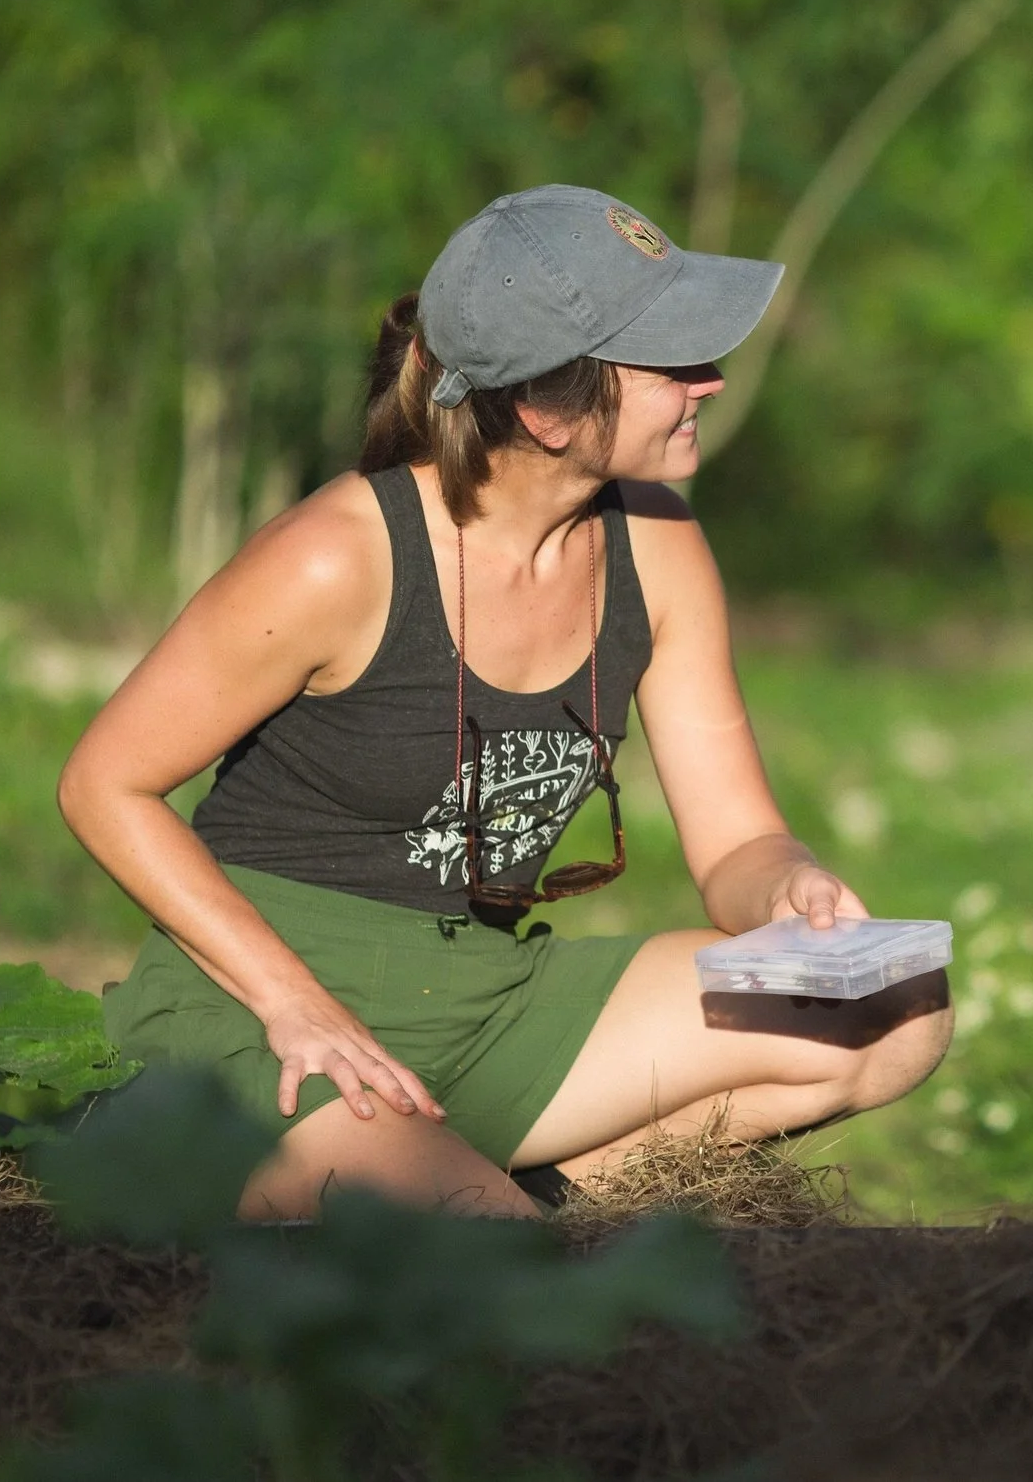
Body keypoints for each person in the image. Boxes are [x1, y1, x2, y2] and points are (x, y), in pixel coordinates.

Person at [61, 186, 951, 1219]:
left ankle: (509, 1192)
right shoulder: (338, 555)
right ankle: (392, 1189)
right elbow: (102, 783)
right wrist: (294, 1003)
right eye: (668, 364)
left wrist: (790, 888)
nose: (708, 381)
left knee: (886, 1005)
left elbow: (737, 841)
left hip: (489, 995)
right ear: (547, 408)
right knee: (489, 1265)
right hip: (265, 1008)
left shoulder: (658, 545)